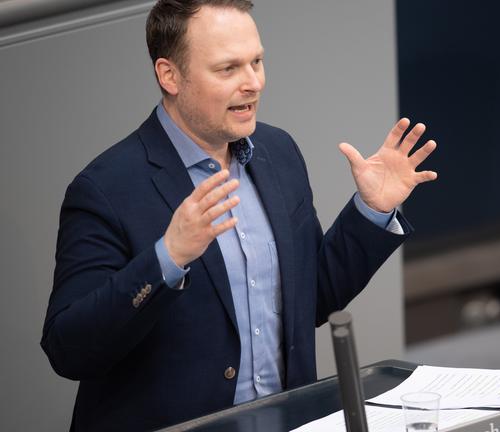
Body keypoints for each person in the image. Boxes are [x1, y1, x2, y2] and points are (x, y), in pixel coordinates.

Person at [40, 0, 437, 430]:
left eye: (257, 62)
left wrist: (372, 211)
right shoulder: (106, 189)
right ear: (169, 75)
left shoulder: (278, 153)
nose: (253, 83)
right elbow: (69, 349)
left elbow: (308, 301)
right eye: (228, 69)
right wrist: (167, 258)